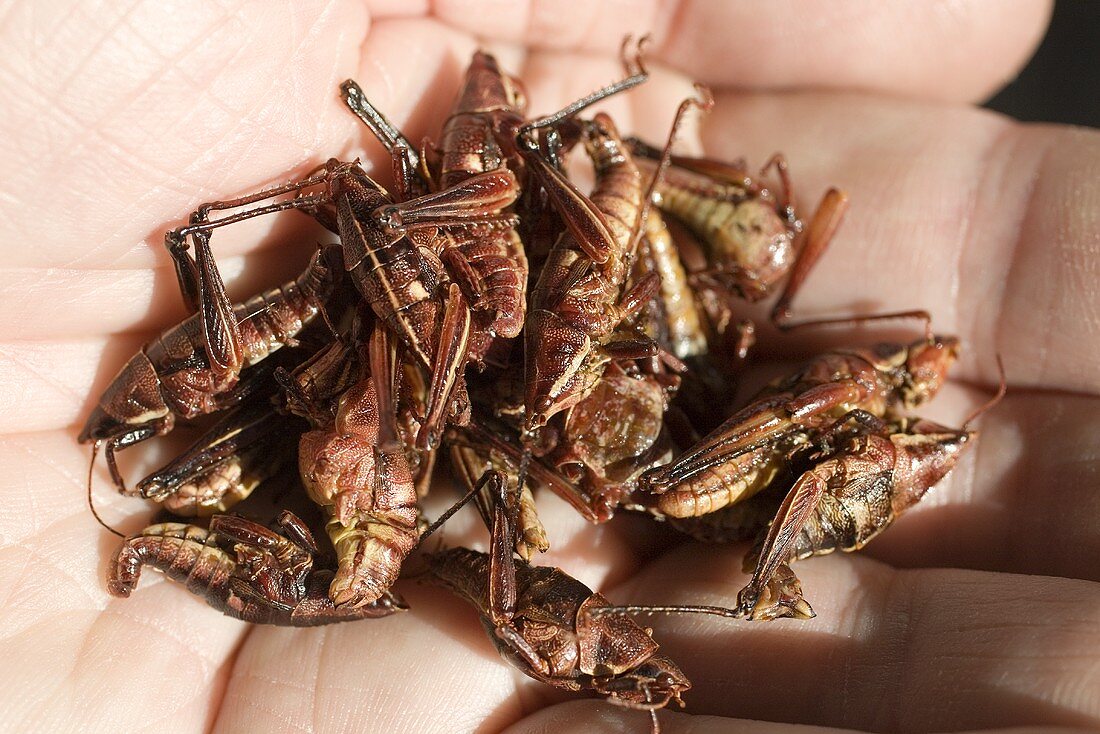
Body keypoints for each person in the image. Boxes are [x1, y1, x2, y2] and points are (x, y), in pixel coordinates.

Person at [3, 2, 1097, 732]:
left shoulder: (587, 365)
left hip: (486, 313)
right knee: (423, 337)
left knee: (473, 335)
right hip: (442, 285)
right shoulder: (454, 360)